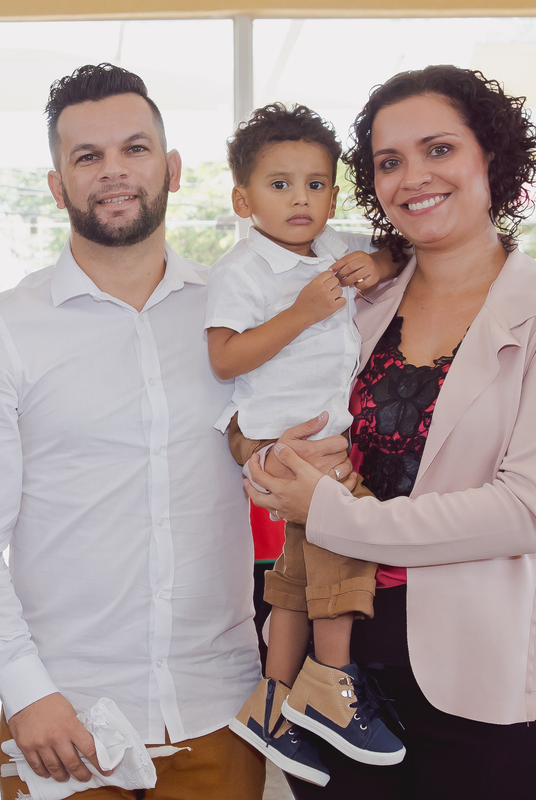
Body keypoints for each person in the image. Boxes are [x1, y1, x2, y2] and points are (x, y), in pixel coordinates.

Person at [0, 63, 354, 800]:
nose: (114, 171)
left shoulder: (243, 317)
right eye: (86, 156)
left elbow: (284, 449)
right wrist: (27, 693)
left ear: (173, 169)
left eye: (135, 149)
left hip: (219, 708)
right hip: (63, 717)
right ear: (58, 185)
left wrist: (302, 460)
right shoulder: (1, 330)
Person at [246, 65, 536, 799]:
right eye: (389, 161)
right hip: (335, 670)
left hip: (483, 675)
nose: (413, 176)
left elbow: (526, 510)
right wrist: (269, 459)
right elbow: (266, 406)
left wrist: (332, 512)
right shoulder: (352, 299)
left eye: (439, 149)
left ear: (491, 155)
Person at [206, 104, 403, 785]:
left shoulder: (333, 248)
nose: (300, 200)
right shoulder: (243, 269)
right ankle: (332, 682)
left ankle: (271, 702)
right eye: (280, 185)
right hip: (280, 434)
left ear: (334, 196)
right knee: (347, 539)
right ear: (244, 200)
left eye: (316, 185)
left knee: (295, 575)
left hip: (319, 433)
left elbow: (396, 251)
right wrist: (301, 313)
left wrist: (375, 263)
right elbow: (225, 359)